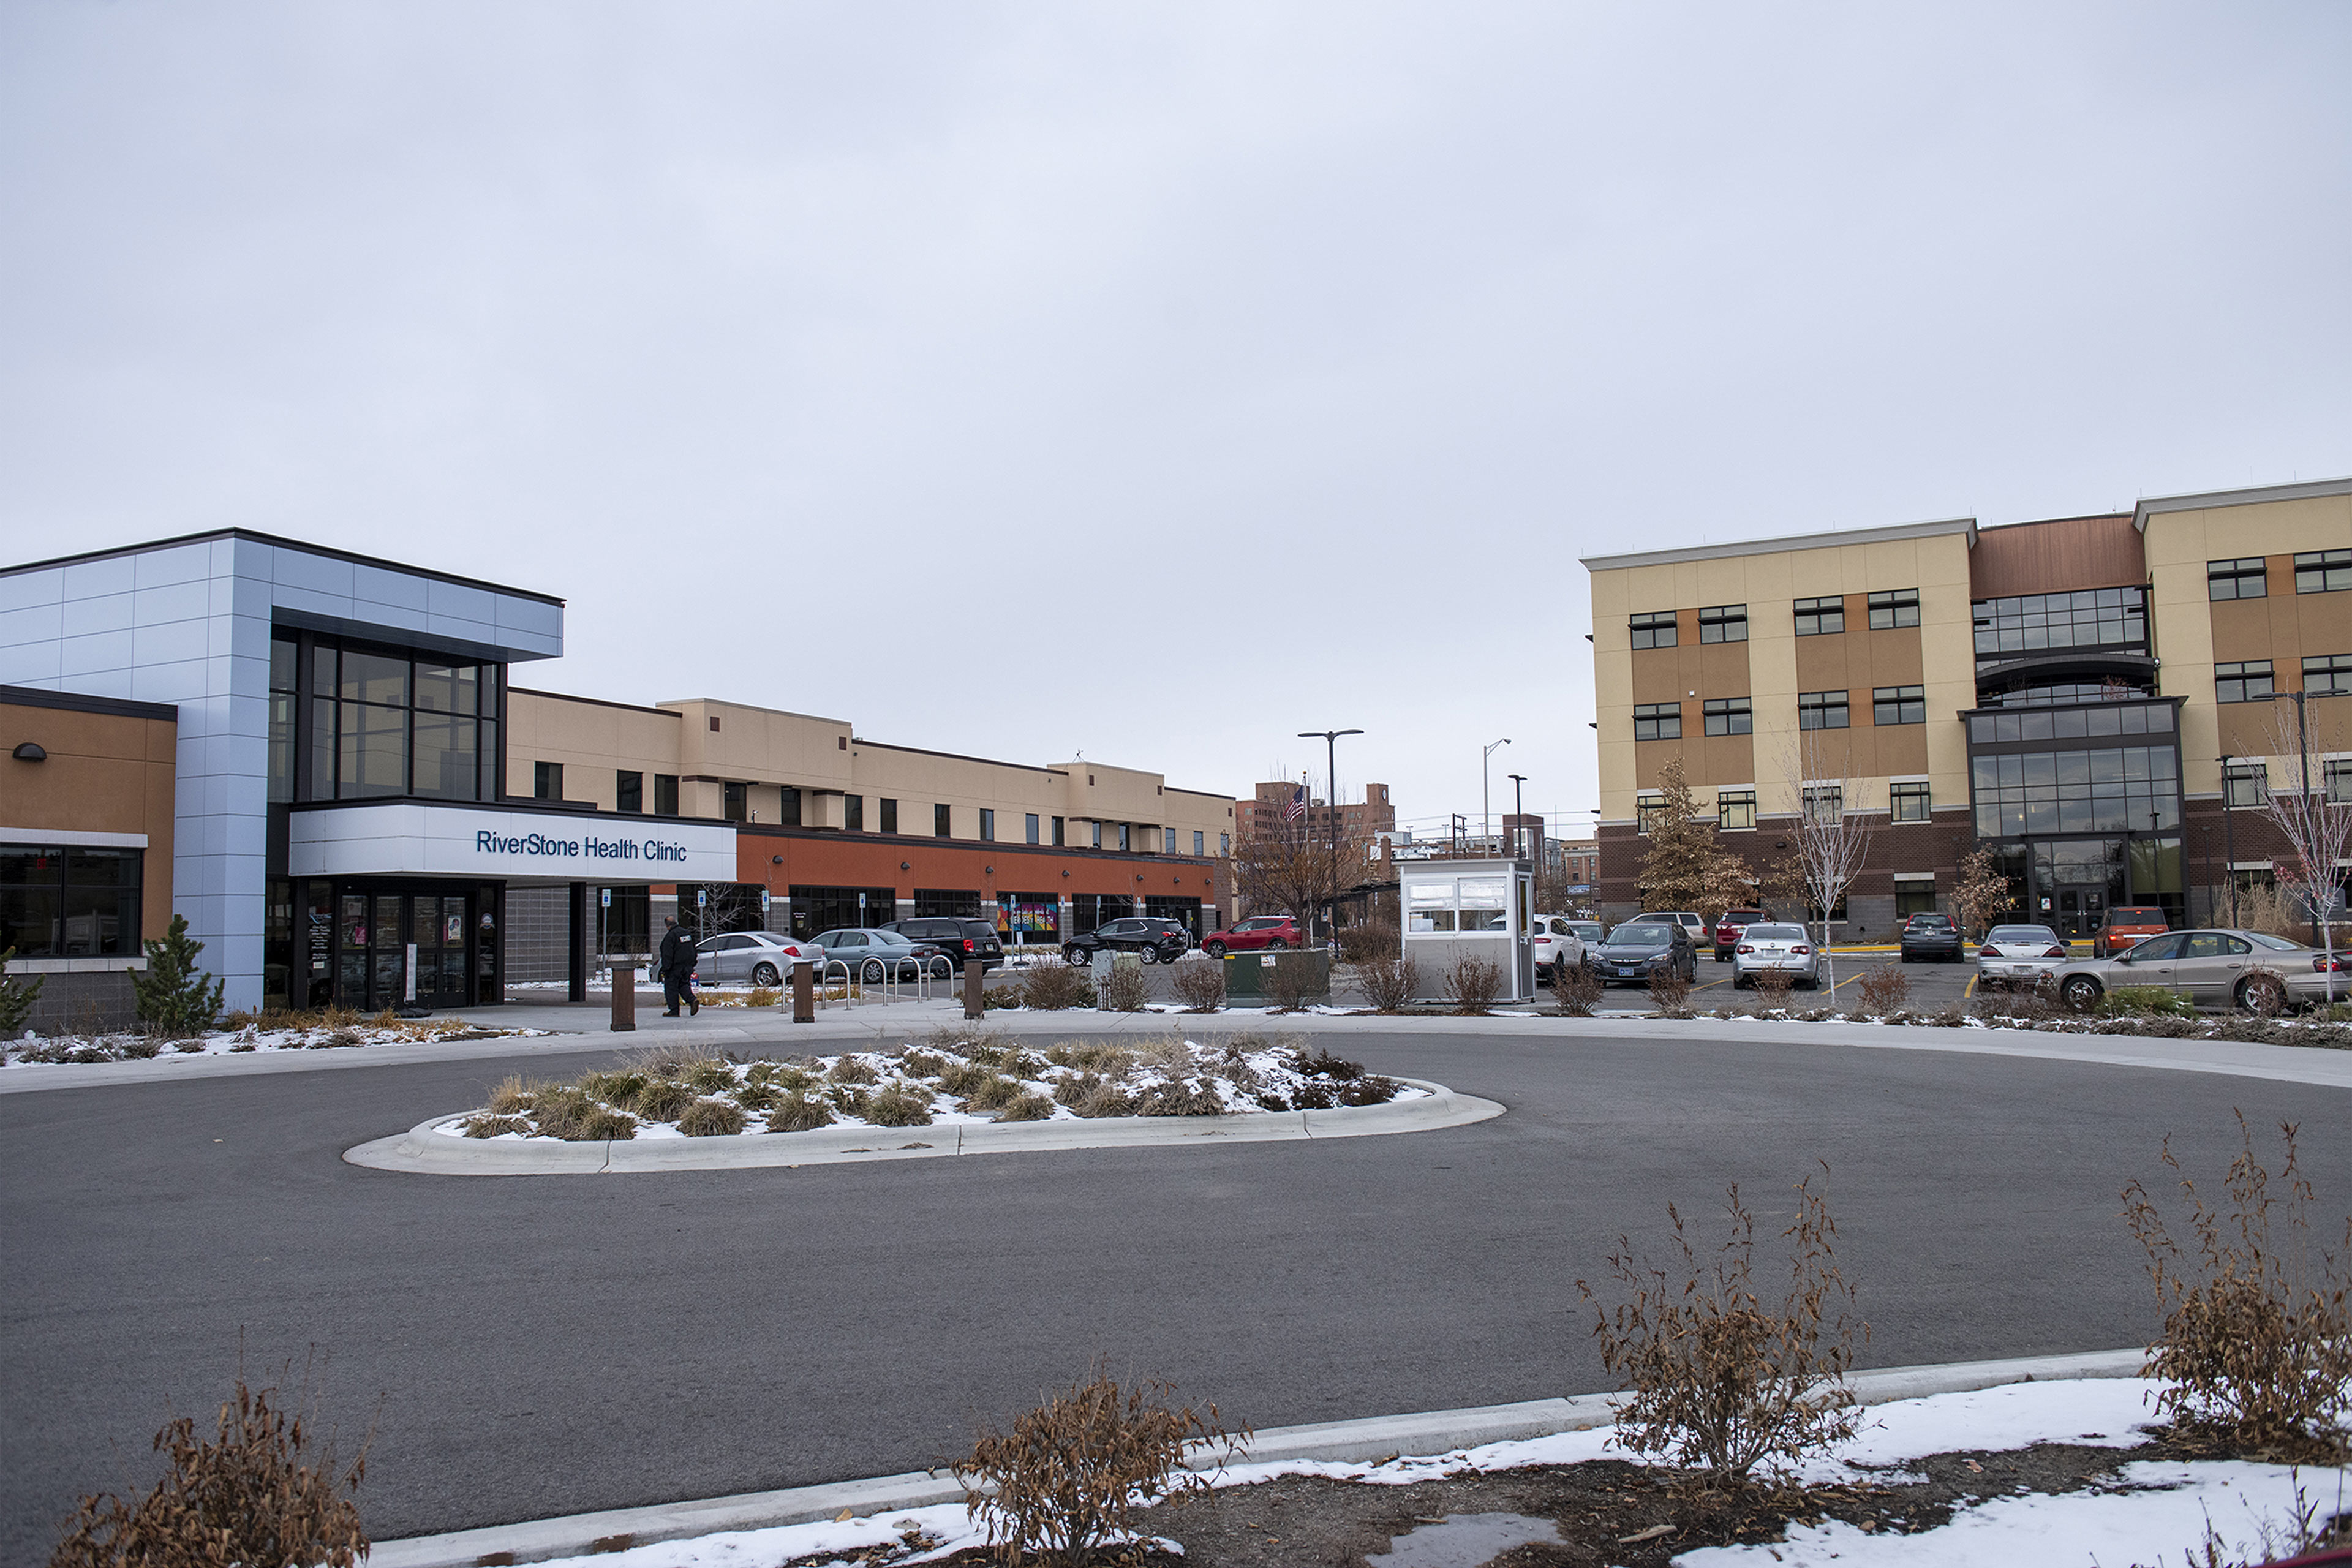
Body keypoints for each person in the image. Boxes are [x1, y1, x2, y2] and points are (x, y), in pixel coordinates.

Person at [657, 916, 699, 1017]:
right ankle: (692, 1000)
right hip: (687, 967)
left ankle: (674, 1011)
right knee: (683, 985)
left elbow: (667, 954)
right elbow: (693, 949)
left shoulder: (671, 936)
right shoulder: (687, 934)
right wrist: (693, 963)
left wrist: (666, 969)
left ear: (667, 926)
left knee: (671, 988)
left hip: (675, 968)